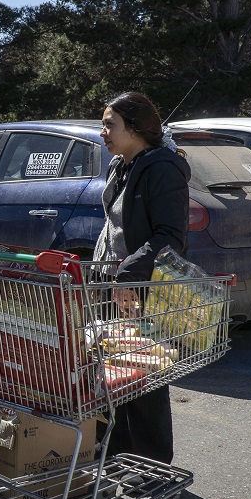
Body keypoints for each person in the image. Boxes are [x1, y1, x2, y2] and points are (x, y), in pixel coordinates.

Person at [93, 90, 190, 463]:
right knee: (112, 376)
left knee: (144, 382)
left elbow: (170, 236)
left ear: (135, 128)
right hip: (111, 286)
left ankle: (152, 467)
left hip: (142, 291)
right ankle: (117, 458)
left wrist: (129, 273)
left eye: (109, 125)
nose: (103, 132)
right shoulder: (123, 165)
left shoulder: (161, 169)